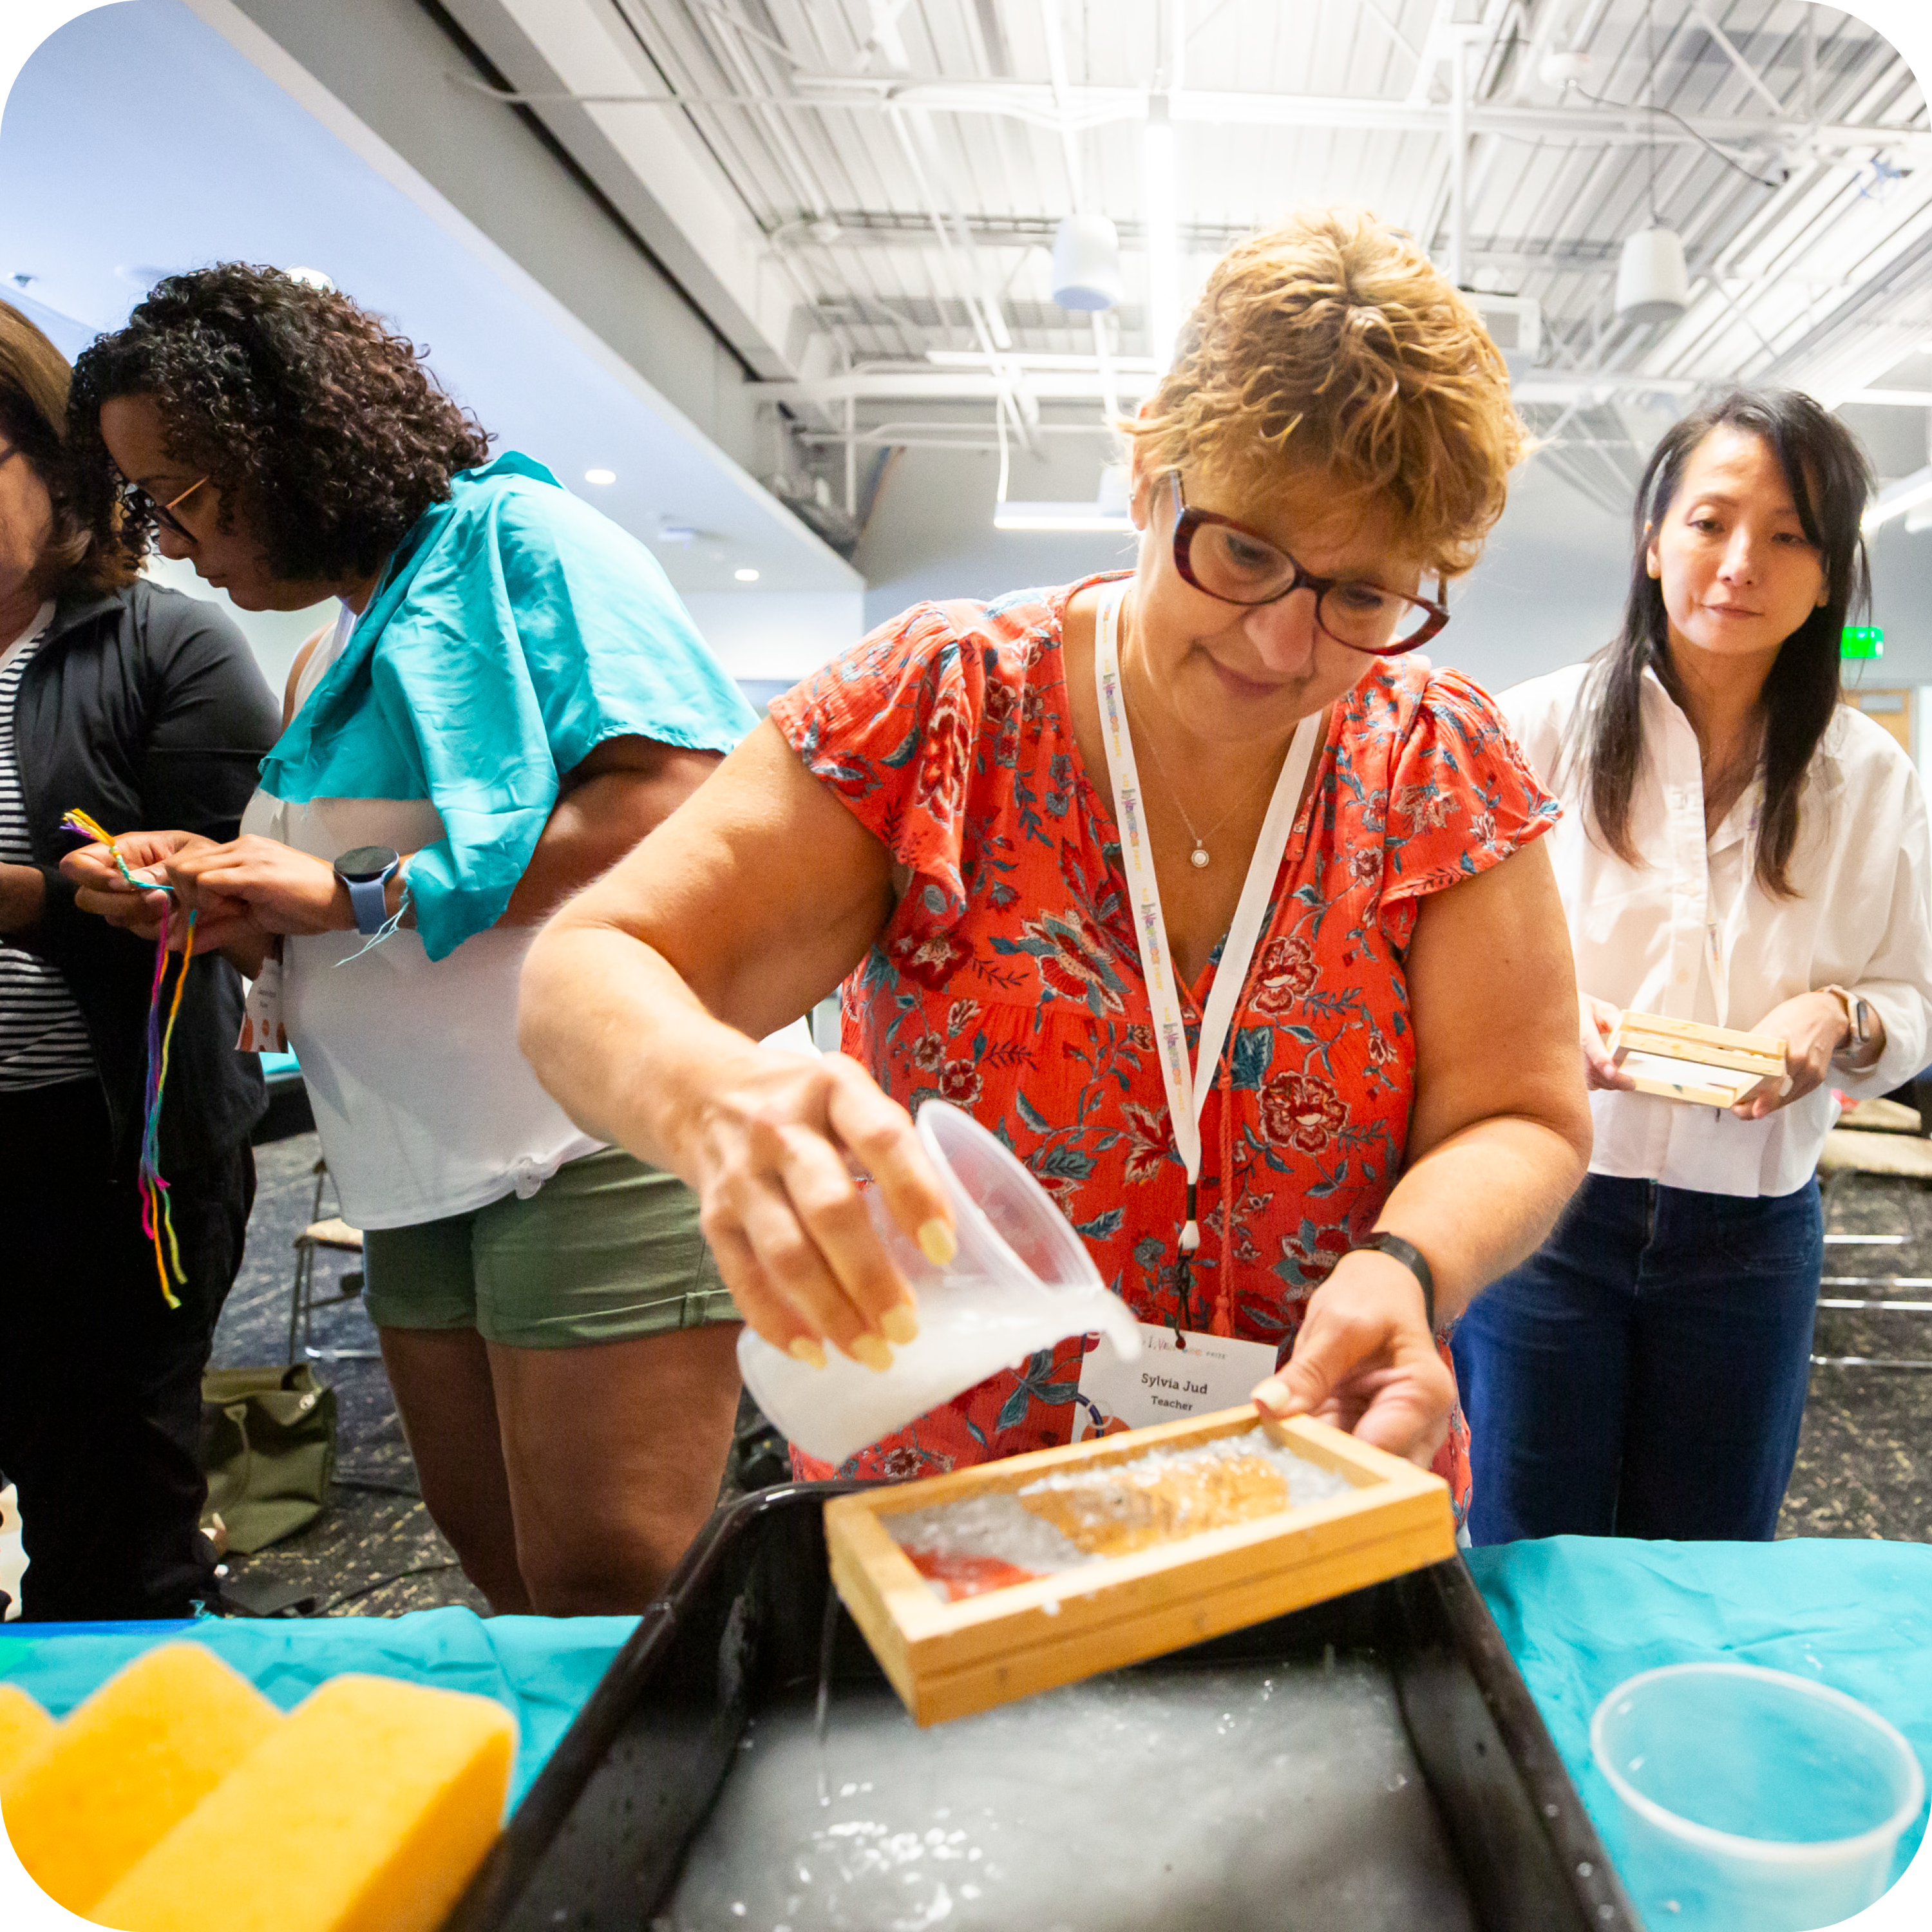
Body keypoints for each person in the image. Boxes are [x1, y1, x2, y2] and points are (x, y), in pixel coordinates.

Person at [518, 209, 1595, 1515]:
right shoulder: (943, 710)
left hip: (1312, 1467)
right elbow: (590, 968)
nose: (1278, 644)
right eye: (1243, 552)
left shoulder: (1438, 764)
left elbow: (1522, 1110)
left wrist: (1410, 1268)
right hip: (956, 1495)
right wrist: (705, 1100)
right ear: (1148, 471)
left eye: (1361, 598)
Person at [62, 265, 757, 1613]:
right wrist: (231, 908)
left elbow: (676, 807)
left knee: (608, 1594)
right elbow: (362, 916)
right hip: (417, 1169)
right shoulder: (338, 651)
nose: (172, 540)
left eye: (183, 495)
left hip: (583, 1147)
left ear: (291, 440)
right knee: (502, 1568)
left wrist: (357, 895)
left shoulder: (527, 548)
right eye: (145, 506)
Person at [1454, 388, 1932, 1544]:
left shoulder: (1868, 776)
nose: (1740, 563)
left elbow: (1911, 995)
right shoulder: (1532, 731)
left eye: (1788, 536)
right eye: (1711, 522)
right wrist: (1541, 1027)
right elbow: (1447, 966)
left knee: (1714, 1553)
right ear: (1653, 541)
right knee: (1527, 1543)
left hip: (1751, 1238)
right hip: (1546, 1212)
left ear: (1828, 577)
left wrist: (1842, 1020)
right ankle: (1524, 1737)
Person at [0, 299, 281, 1619]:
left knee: (108, 1538)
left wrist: (41, 898)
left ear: (53, 470)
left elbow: (232, 906)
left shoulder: (167, 644)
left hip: (102, 1154)